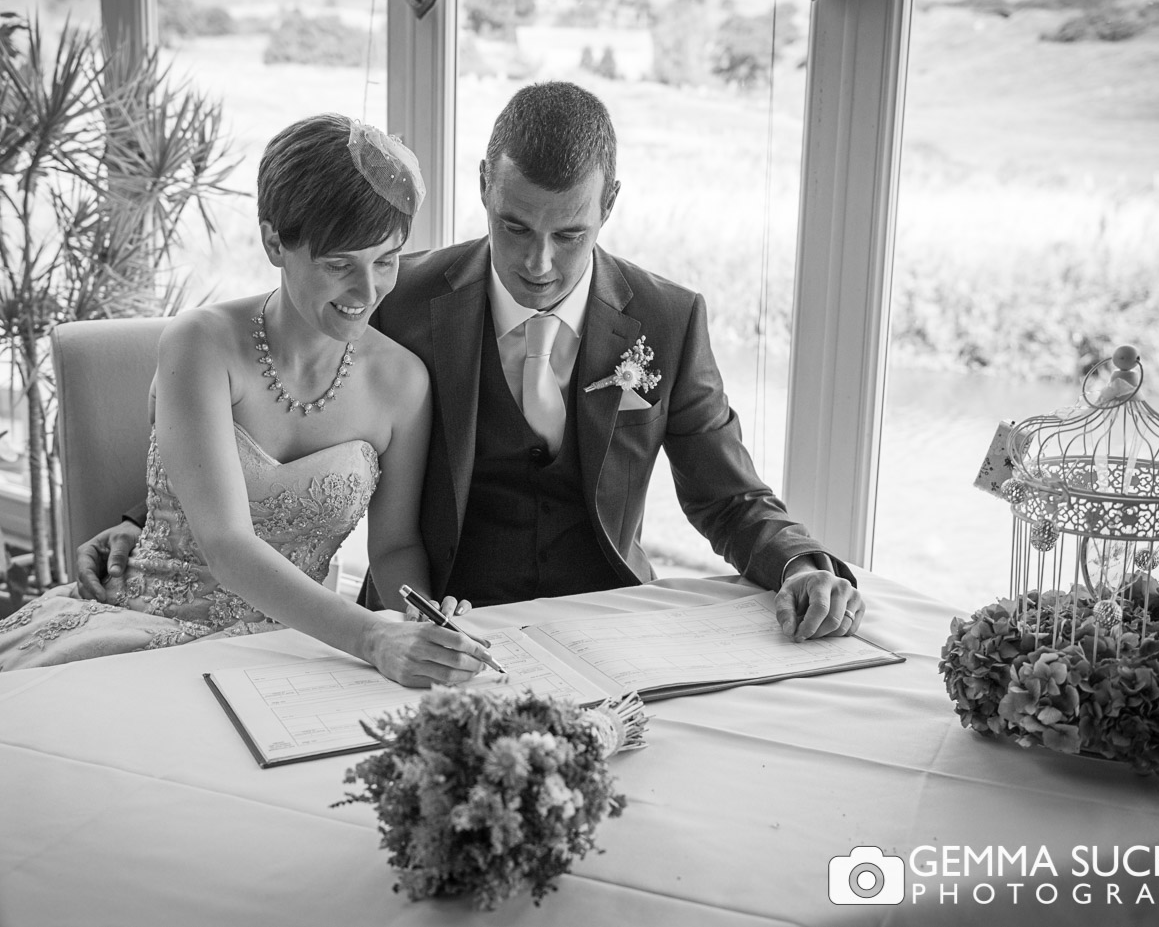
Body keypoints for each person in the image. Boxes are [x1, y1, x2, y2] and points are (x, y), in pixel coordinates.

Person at [0, 114, 493, 927]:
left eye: (386, 261)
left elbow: (398, 542)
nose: (368, 292)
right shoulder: (203, 343)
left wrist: (420, 629)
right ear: (275, 239)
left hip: (297, 651)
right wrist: (371, 638)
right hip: (146, 628)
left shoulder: (402, 380)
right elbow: (228, 545)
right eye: (340, 264)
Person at [81, 82, 865, 641]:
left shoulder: (667, 318)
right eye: (515, 226)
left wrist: (798, 561)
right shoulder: (394, 290)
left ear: (610, 204)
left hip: (607, 626)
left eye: (570, 235)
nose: (540, 263)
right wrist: (149, 518)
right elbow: (277, 360)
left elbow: (728, 497)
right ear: (484, 183)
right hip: (436, 619)